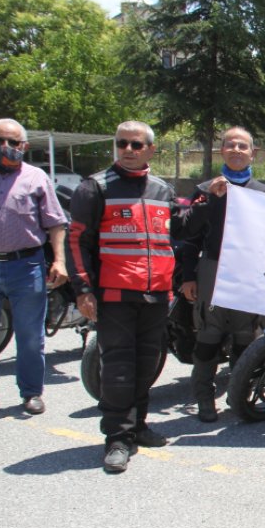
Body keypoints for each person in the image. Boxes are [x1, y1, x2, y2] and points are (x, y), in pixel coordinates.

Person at [67, 121, 183, 473]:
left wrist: (215, 200)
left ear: (150, 149)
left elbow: (184, 226)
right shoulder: (95, 187)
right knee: (117, 367)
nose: (128, 150)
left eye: (136, 144)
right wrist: (83, 290)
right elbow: (77, 242)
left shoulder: (163, 190)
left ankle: (139, 426)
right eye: (122, 144)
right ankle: (117, 438)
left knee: (147, 364)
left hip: (156, 295)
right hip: (114, 294)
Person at [179, 127, 265, 423]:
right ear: (222, 150)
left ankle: (241, 394)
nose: (236, 149)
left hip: (249, 273)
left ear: (252, 153)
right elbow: (187, 235)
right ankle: (205, 399)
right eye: (230, 145)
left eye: (242, 146)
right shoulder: (204, 189)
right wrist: (187, 276)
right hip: (213, 268)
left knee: (245, 336)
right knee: (209, 335)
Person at [0, 118, 69, 415]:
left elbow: (55, 223)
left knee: (29, 337)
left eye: (13, 142)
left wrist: (60, 260)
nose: (5, 147)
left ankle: (31, 393)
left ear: (24, 146)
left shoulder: (36, 177)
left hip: (25, 266)